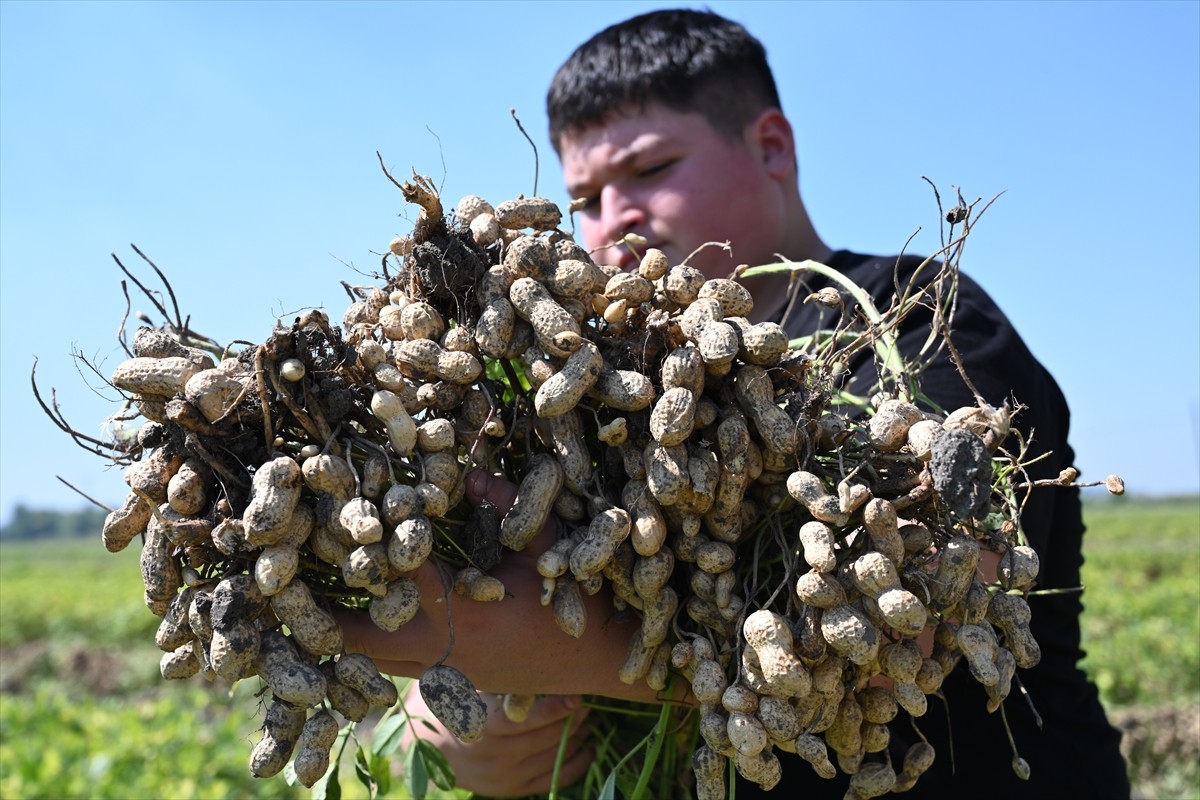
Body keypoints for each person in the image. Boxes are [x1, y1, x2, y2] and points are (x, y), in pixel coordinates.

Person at [339, 9, 1130, 799]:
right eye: (585, 197)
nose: (614, 217)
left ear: (771, 147)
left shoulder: (918, 321)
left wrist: (571, 655)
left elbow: (916, 614)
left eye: (649, 168)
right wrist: (494, 715)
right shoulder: (602, 389)